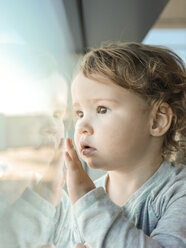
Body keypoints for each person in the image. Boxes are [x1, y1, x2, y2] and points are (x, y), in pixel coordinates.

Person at [1, 42, 186, 248]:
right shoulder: (81, 196)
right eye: (79, 113)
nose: (82, 126)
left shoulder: (178, 192)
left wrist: (88, 201)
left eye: (102, 109)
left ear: (157, 121)